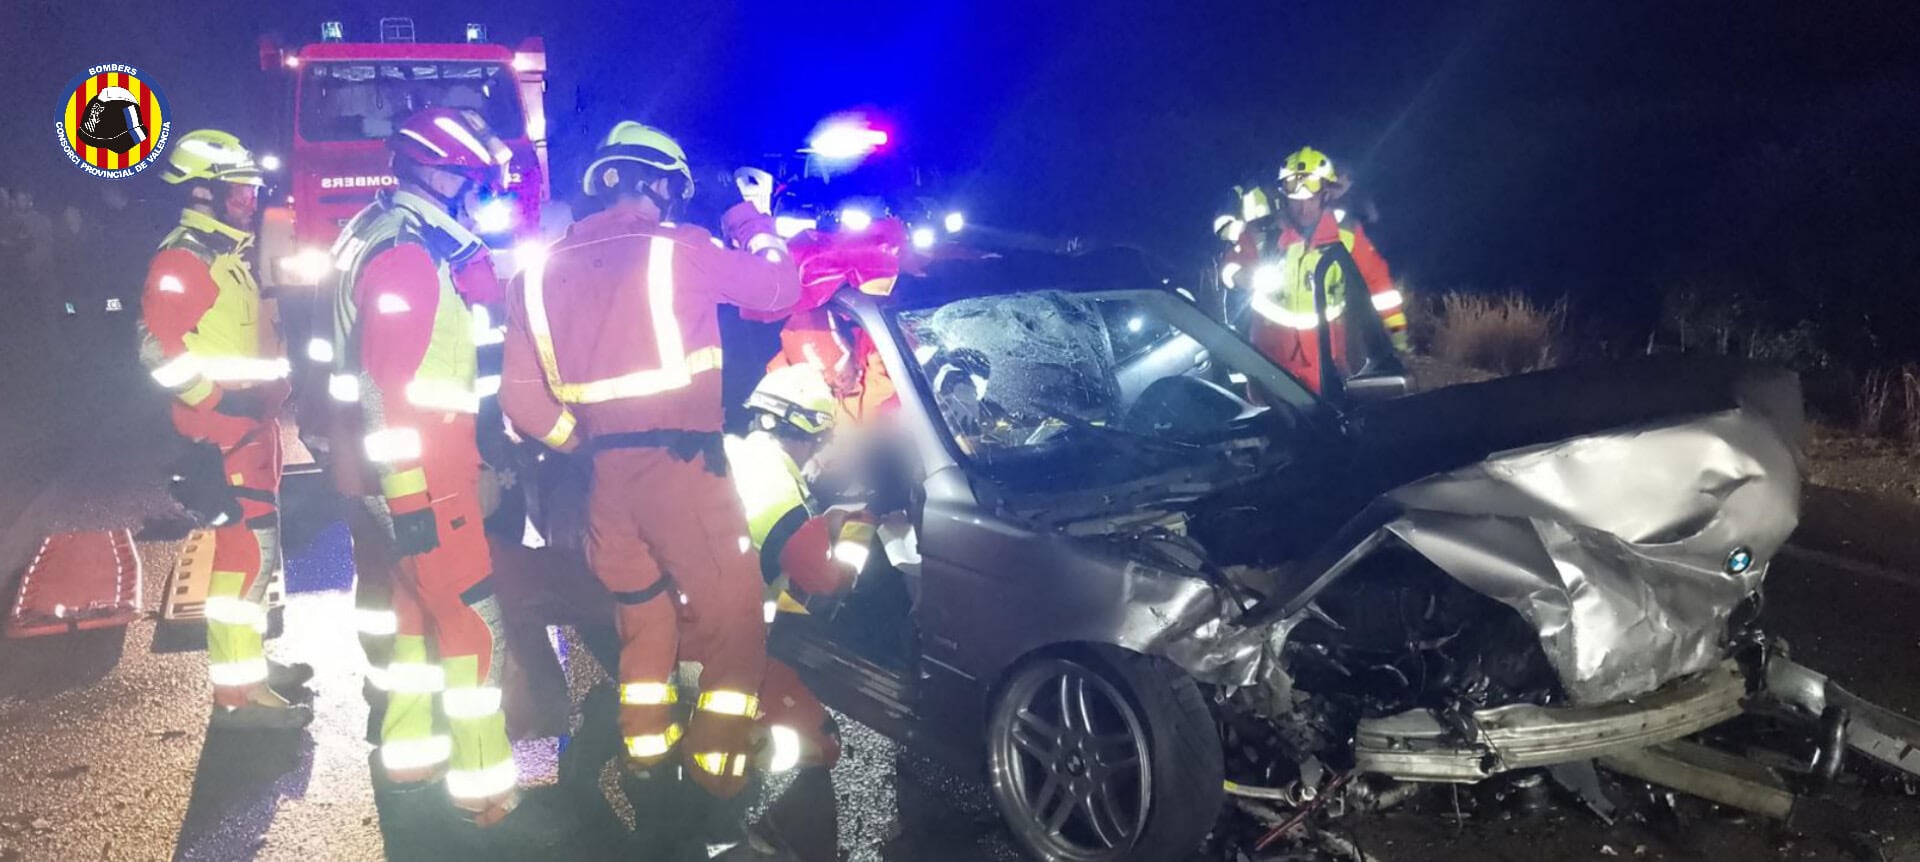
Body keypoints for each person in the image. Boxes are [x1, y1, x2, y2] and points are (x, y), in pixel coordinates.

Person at [498, 122, 801, 811]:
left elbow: (519, 400)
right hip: (684, 473)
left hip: (604, 480)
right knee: (737, 626)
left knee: (644, 623)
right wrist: (746, 216)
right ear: (660, 184)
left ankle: (646, 758)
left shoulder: (534, 274)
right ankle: (715, 776)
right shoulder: (682, 250)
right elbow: (780, 287)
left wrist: (589, 443)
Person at [322, 107, 551, 839]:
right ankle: (485, 794)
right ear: (441, 174)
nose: (479, 196)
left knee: (416, 627)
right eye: (473, 181)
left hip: (402, 476)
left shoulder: (377, 233)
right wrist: (411, 500)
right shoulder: (407, 259)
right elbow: (386, 392)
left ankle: (410, 762)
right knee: (472, 629)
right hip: (426, 479)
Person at [139, 129, 312, 730]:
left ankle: (252, 670)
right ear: (203, 191)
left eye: (252, 187)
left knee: (256, 560)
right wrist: (215, 403)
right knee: (241, 563)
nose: (251, 198)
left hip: (247, 432)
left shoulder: (222, 256)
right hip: (224, 436)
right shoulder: (184, 258)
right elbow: (157, 352)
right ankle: (238, 700)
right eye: (239, 188)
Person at [718, 365, 875, 860]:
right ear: (809, 433)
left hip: (687, 622)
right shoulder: (781, 499)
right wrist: (858, 528)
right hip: (727, 644)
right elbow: (825, 581)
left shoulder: (732, 455)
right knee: (817, 742)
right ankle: (775, 837)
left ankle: (740, 826)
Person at [1222, 147, 1408, 392]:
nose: (1303, 209)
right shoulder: (1261, 233)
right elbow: (1230, 265)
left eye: (1310, 199)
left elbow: (1380, 288)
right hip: (1267, 359)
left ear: (1325, 196)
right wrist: (1240, 276)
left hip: (1326, 359)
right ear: (1284, 197)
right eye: (1296, 201)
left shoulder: (1347, 235)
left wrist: (1398, 340)